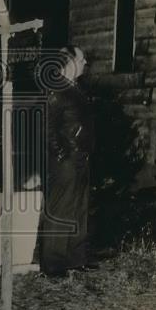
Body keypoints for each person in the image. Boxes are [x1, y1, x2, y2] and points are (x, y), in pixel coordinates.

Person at [36, 45, 94, 276]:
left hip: (81, 157)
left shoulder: (76, 89)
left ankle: (76, 259)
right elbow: (45, 126)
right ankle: (54, 265)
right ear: (69, 61)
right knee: (60, 210)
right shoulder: (56, 88)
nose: (84, 63)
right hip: (65, 161)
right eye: (81, 59)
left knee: (79, 208)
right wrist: (61, 153)